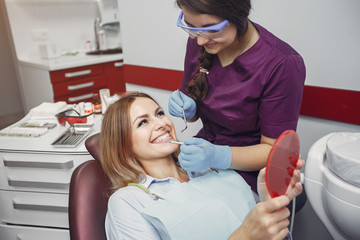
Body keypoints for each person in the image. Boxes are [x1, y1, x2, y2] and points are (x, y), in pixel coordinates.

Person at [100, 92, 304, 240]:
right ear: (123, 146)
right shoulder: (127, 202)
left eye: (160, 113)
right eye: (142, 123)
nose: (161, 123)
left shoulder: (207, 169)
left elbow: (251, 222)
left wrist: (269, 201)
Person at [168, 0, 306, 193]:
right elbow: (193, 114)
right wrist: (188, 110)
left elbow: (274, 151)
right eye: (190, 27)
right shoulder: (201, 40)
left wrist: (219, 155)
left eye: (210, 28)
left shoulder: (282, 64)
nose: (199, 40)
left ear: (237, 16)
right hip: (206, 162)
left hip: (251, 176)